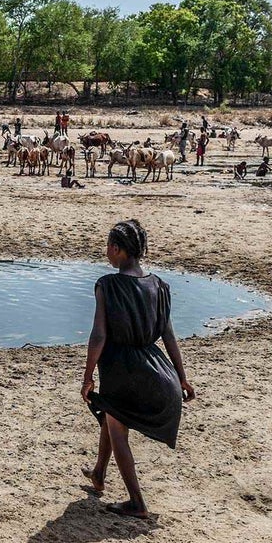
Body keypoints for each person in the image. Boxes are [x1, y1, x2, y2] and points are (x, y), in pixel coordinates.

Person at [81, 220, 195, 518]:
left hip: (124, 370)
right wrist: (182, 378)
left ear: (116, 249)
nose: (106, 252)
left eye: (108, 246)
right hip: (159, 371)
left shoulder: (108, 284)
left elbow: (99, 335)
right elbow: (169, 336)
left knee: (118, 427)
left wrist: (87, 375)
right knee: (111, 414)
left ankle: (136, 502)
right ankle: (98, 474)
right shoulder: (159, 285)